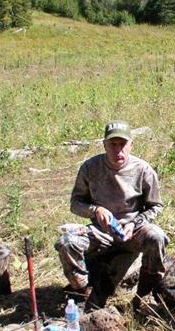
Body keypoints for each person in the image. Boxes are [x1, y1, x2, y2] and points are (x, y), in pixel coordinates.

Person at [55, 120, 168, 310]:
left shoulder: (143, 170)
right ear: (104, 145)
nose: (118, 151)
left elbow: (155, 206)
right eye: (113, 145)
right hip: (101, 232)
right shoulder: (90, 168)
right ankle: (82, 290)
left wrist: (136, 222)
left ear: (131, 145)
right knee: (67, 243)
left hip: (133, 230)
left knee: (156, 236)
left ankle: (146, 293)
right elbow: (75, 203)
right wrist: (95, 210)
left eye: (122, 144)